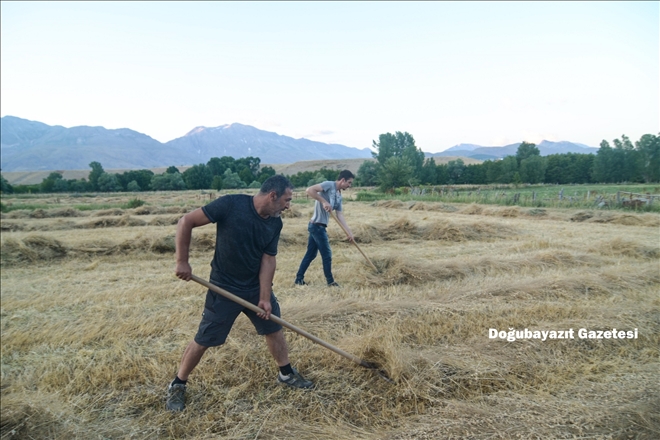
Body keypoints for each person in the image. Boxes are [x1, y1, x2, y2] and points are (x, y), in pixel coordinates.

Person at [167, 175, 313, 412]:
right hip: (223, 288)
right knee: (205, 339)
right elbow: (186, 222)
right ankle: (178, 384)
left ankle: (286, 374)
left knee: (273, 328)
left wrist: (264, 297)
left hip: (254, 288)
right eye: (287, 200)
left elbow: (268, 260)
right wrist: (182, 261)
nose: (289, 206)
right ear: (272, 195)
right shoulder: (230, 205)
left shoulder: (275, 223)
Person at [294, 170, 355, 287]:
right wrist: (323, 201)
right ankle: (330, 282)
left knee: (310, 255)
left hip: (319, 226)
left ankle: (298, 279)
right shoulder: (329, 185)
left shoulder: (338, 196)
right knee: (327, 255)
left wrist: (349, 232)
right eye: (349, 182)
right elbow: (309, 190)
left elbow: (340, 215)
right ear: (342, 180)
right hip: (316, 226)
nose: (349, 185)